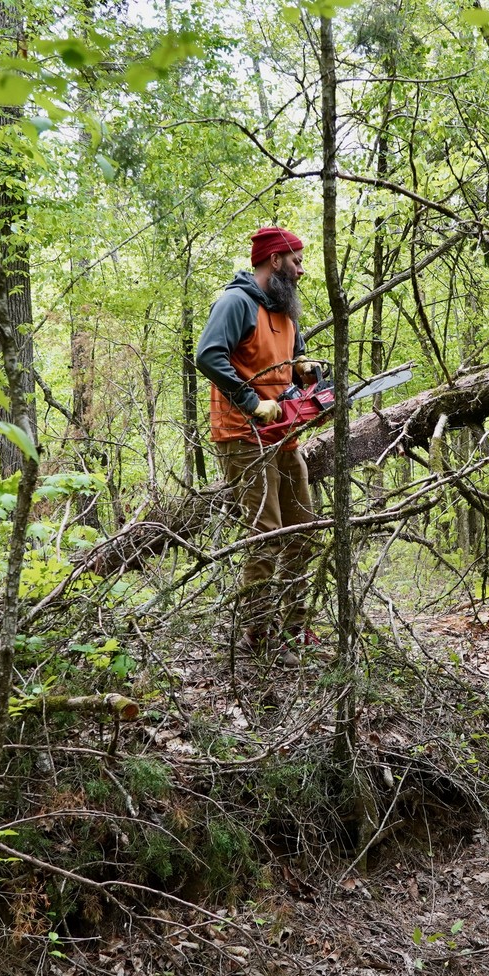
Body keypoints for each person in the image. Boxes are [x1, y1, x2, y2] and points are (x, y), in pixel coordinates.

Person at [195, 226, 323, 666]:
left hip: (284, 434)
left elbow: (292, 357)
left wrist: (303, 368)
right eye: (296, 261)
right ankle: (259, 633)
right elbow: (208, 355)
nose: (301, 270)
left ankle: (294, 627)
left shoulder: (285, 309)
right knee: (267, 534)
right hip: (242, 434)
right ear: (274, 260)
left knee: (302, 529)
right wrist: (252, 402)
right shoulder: (236, 302)